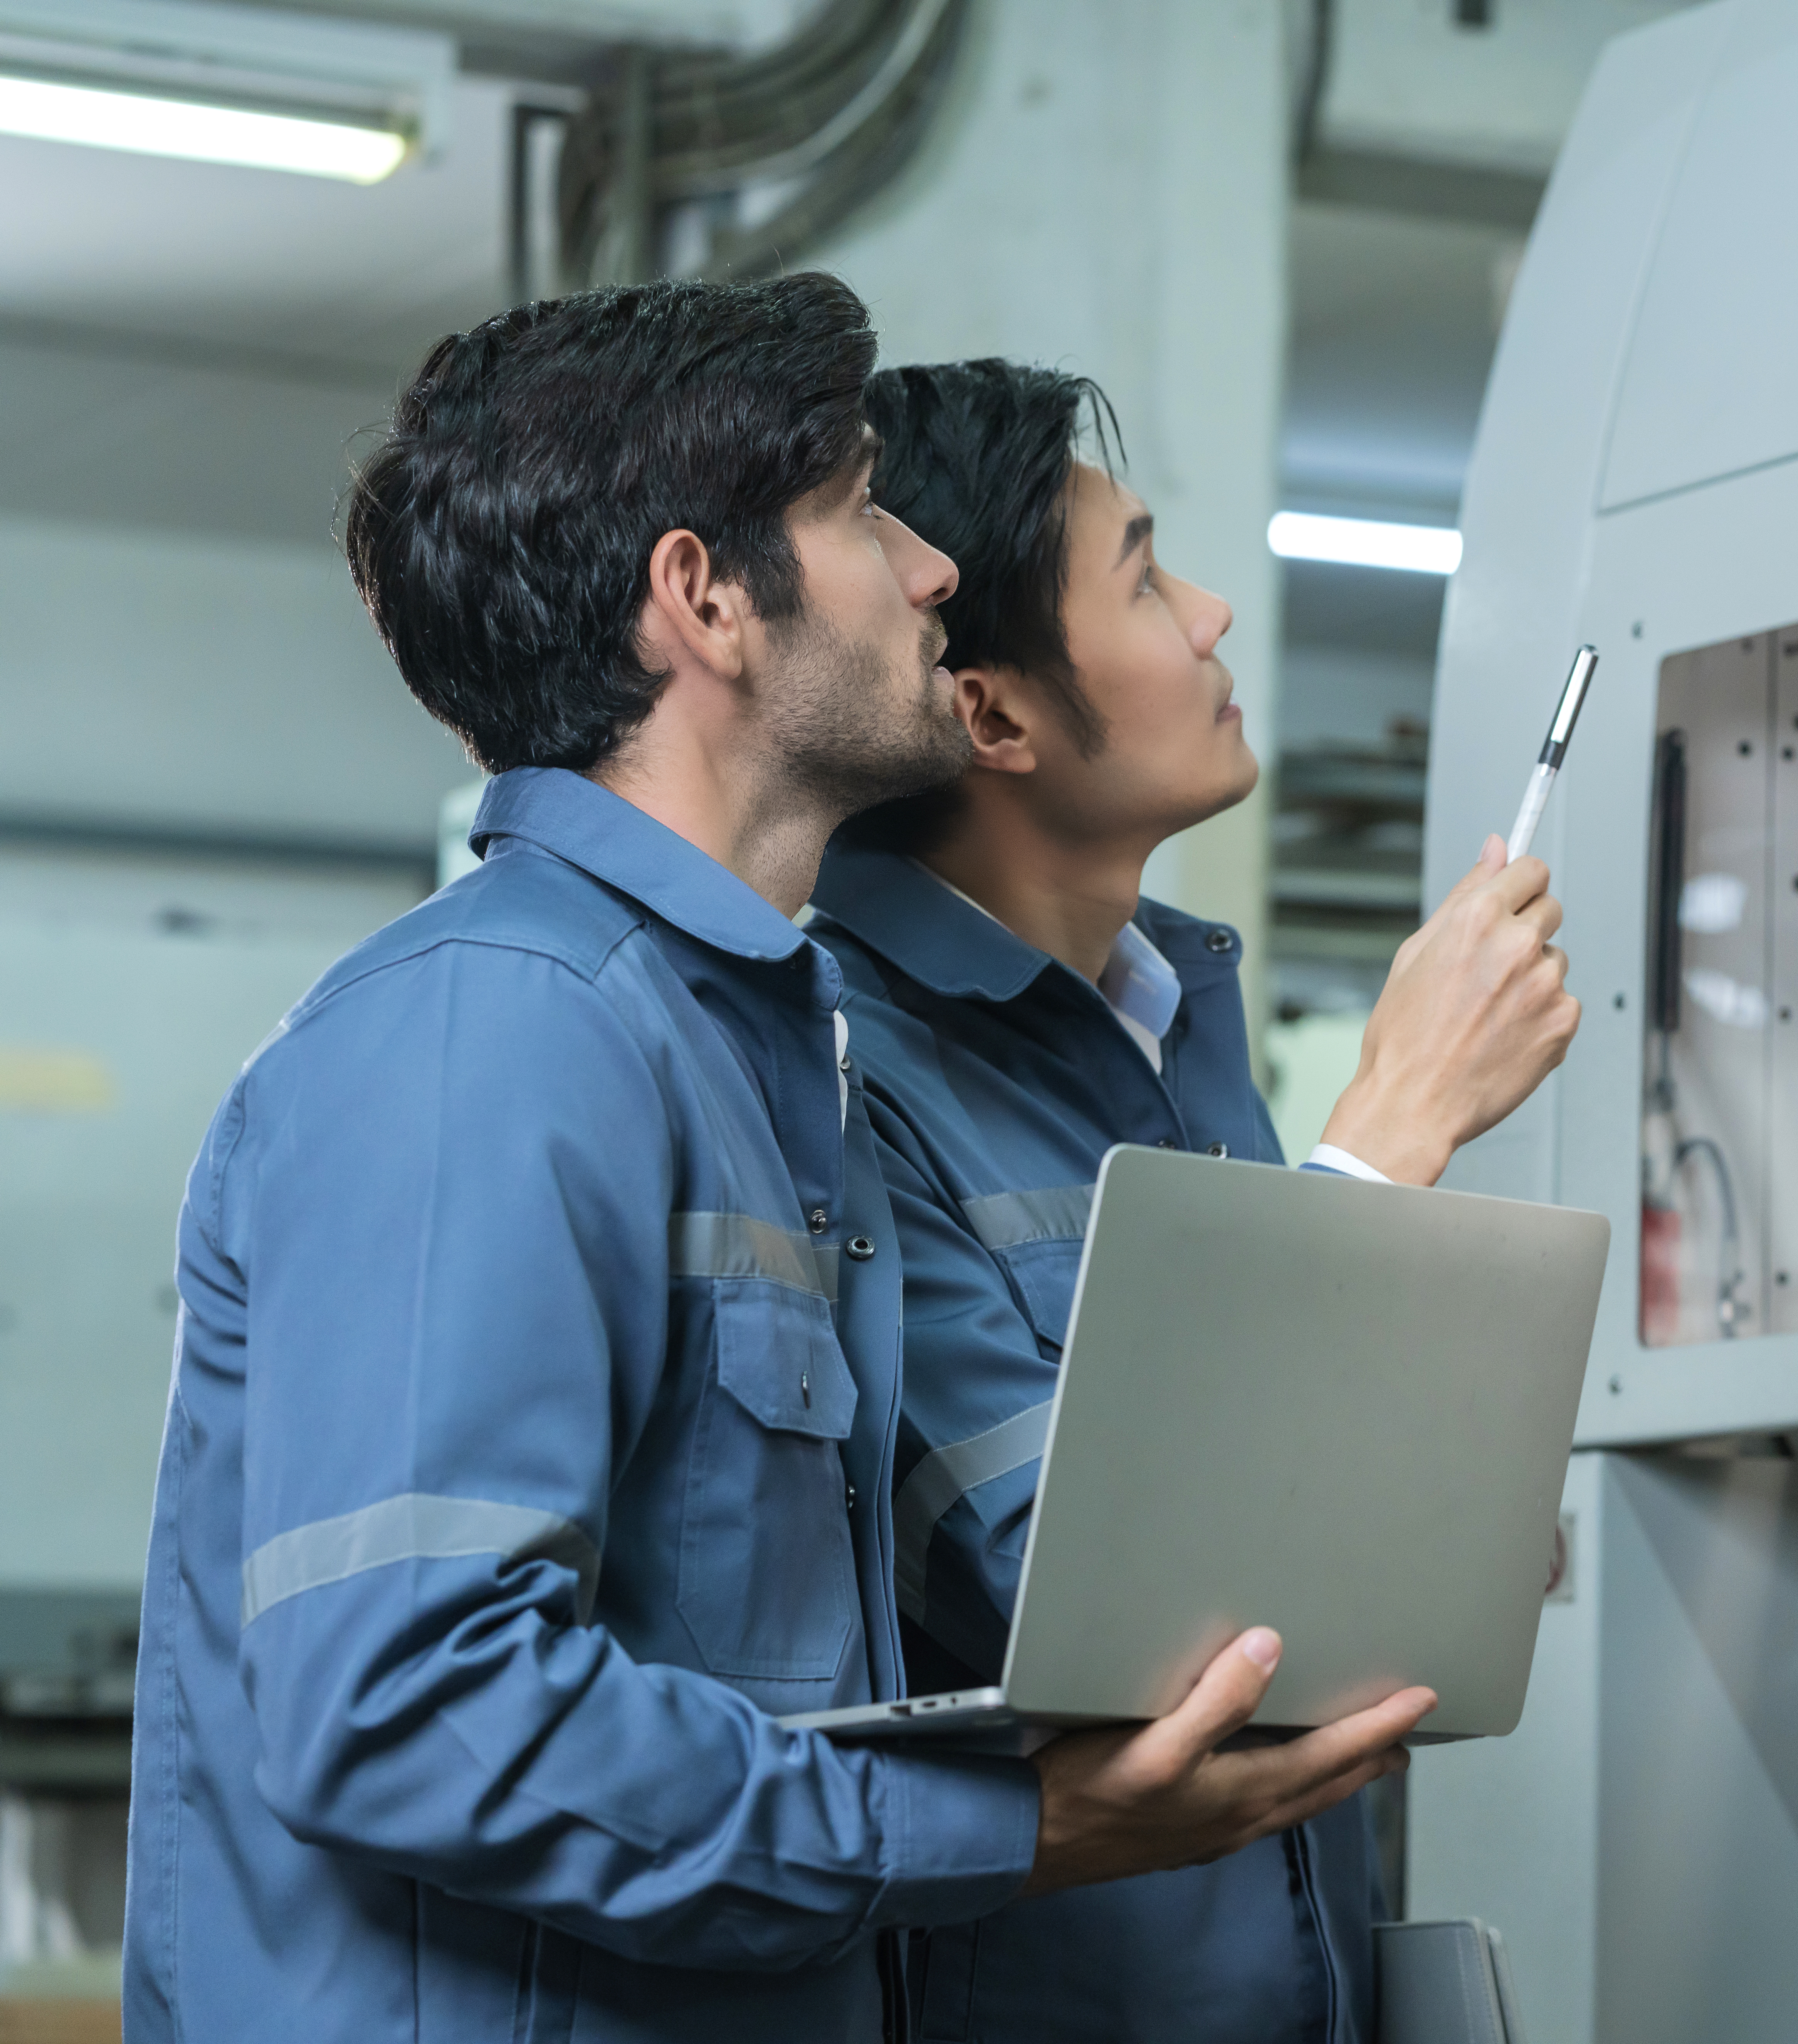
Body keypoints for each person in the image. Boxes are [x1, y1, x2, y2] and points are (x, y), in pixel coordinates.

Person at [125, 277, 1433, 2044]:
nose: (927, 571)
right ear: (707, 599)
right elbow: (414, 1705)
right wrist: (1002, 1829)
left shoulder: (750, 1042)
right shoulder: (496, 1029)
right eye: (856, 513)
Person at [806, 359, 1578, 2043]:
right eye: (1146, 574)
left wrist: (1438, 1534)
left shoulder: (1173, 1022)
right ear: (993, 715)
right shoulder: (846, 1075)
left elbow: (1340, 1575)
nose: (1215, 611)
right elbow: (1116, 1618)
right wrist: (1386, 1135)